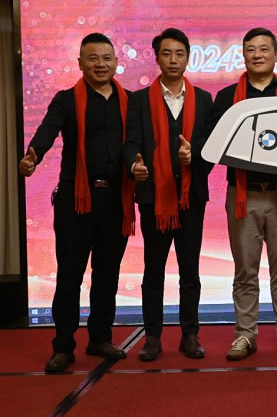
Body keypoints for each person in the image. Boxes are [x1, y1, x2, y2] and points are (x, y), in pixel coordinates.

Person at [19, 33, 134, 373]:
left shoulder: (131, 101)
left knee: (107, 275)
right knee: (70, 276)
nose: (100, 64)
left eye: (106, 58)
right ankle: (63, 346)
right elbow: (47, 131)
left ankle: (100, 338)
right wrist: (33, 155)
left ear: (116, 62)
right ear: (80, 62)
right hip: (76, 200)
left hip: (116, 200)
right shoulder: (66, 100)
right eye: (93, 58)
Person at [212, 28, 277, 360]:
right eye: (251, 49)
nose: (257, 55)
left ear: (276, 55)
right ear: (243, 55)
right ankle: (245, 335)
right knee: (245, 271)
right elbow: (215, 146)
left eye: (264, 49)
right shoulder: (227, 98)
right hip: (243, 195)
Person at [124, 28, 216, 361]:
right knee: (154, 271)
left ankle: (190, 335)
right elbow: (131, 143)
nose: (173, 59)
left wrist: (196, 155)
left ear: (188, 57)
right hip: (154, 198)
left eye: (179, 53)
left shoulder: (203, 99)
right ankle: (152, 337)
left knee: (190, 271)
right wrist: (134, 165)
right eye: (166, 53)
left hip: (191, 199)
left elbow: (212, 146)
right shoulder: (139, 100)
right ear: (157, 58)